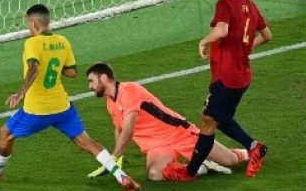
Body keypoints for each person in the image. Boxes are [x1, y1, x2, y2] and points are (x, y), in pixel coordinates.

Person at [0, 4, 142, 191]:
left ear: (34, 23)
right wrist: (54, 63)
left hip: (37, 110)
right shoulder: (63, 41)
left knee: (6, 133)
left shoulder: (32, 43)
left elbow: (34, 67)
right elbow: (72, 72)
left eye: (28, 24)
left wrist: (20, 92)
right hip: (62, 108)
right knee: (87, 142)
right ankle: (121, 176)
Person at [162, 0, 272, 182]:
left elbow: (221, 30)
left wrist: (203, 41)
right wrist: (247, 47)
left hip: (226, 75)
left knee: (215, 117)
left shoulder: (225, 4)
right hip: (242, 74)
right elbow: (267, 35)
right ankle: (190, 171)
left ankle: (253, 146)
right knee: (210, 120)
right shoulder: (250, 5)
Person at [85, 62, 248, 181]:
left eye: (91, 81)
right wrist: (118, 158)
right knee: (155, 174)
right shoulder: (110, 101)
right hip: (157, 146)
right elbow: (119, 128)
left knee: (230, 161)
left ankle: (248, 152)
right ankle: (204, 166)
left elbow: (128, 131)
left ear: (104, 77)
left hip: (179, 134)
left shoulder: (129, 90)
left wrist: (113, 158)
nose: (90, 86)